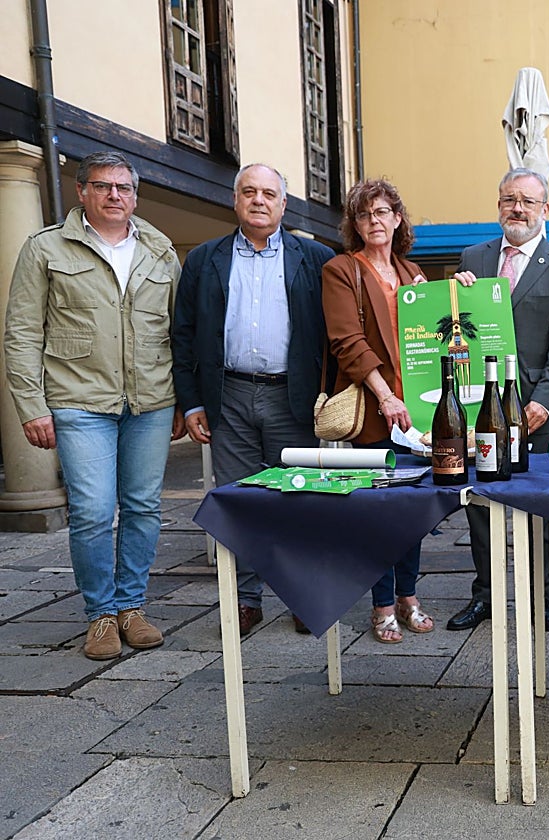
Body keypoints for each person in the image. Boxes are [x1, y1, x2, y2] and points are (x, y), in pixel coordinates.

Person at [5, 151, 183, 660]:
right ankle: (101, 614)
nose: (114, 195)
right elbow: (21, 332)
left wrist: (184, 402)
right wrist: (32, 405)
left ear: (135, 196)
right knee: (92, 511)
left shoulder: (160, 250)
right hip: (79, 401)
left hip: (150, 401)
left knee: (144, 507)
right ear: (81, 191)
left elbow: (180, 333)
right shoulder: (45, 248)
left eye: (123, 187)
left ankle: (132, 607)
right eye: (103, 186)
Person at [171, 163, 334, 637]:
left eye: (268, 193)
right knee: (240, 501)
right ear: (235, 200)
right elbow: (183, 335)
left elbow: (340, 329)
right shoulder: (204, 259)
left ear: (283, 204)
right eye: (249, 192)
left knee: (299, 498)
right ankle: (245, 599)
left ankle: (300, 593)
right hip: (229, 396)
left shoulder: (317, 258)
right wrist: (191, 402)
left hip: (294, 396)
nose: (258, 200)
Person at [446, 168, 549, 631]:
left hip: (536, 411)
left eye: (527, 201)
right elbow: (458, 325)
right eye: (509, 199)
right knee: (479, 504)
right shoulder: (473, 258)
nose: (517, 209)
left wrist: (543, 402)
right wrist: (455, 295)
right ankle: (485, 595)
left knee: (541, 509)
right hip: (481, 405)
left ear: (545, 209)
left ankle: (540, 599)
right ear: (498, 205)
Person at [322, 179, 434, 643]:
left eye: (383, 211)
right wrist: (386, 396)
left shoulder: (412, 272)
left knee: (413, 512)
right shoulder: (341, 270)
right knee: (379, 513)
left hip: (418, 413)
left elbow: (436, 332)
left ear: (398, 218)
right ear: (355, 223)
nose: (374, 221)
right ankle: (383, 605)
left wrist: (455, 291)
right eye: (365, 214)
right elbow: (347, 342)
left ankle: (409, 596)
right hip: (375, 412)